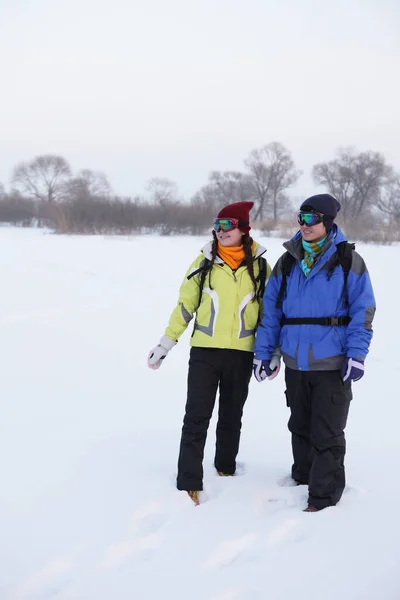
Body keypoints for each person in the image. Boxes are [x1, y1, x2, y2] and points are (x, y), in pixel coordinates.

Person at [253, 194, 376, 512]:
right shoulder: (288, 260)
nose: (304, 225)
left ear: (328, 222)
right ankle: (303, 477)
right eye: (300, 218)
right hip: (295, 360)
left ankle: (324, 497)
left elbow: (363, 310)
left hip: (331, 361)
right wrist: (264, 353)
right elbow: (271, 311)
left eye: (311, 219)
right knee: (300, 425)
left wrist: (356, 354)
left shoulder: (348, 260)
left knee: (327, 430)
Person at [147, 201, 276, 505]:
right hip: (205, 351)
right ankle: (189, 481)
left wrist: (270, 353)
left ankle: (226, 468)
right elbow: (185, 306)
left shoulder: (260, 266)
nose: (221, 231)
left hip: (242, 353)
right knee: (196, 416)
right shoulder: (203, 262)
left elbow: (270, 314)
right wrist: (166, 343)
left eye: (228, 225)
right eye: (217, 225)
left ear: (244, 229)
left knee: (232, 415)